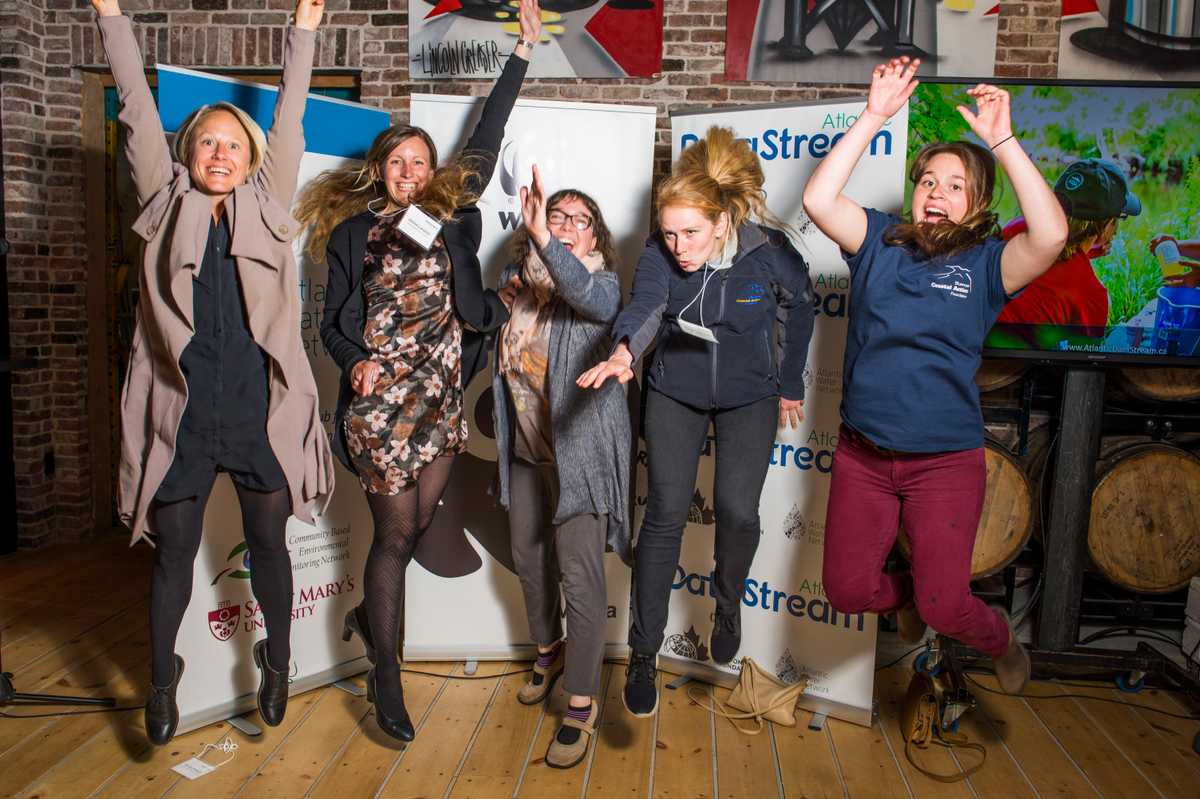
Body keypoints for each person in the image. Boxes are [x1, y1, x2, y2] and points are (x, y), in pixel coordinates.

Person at [93, 0, 334, 745]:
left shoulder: (267, 204)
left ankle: (279, 663)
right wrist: (109, 14)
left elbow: (291, 114)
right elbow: (136, 106)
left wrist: (304, 31)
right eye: (208, 142)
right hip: (185, 419)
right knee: (172, 556)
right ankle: (160, 686)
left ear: (252, 158)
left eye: (234, 144)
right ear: (189, 152)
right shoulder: (164, 202)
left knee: (269, 547)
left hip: (260, 415)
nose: (221, 153)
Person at [301, 0, 542, 743]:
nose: (409, 172)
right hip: (378, 405)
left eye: (420, 161)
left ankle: (369, 620)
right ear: (381, 170)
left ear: (433, 171)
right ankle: (388, 684)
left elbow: (488, 130)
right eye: (397, 162)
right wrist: (356, 362)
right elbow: (332, 321)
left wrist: (523, 52)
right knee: (394, 535)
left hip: (438, 400)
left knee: (415, 528)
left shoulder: (448, 215)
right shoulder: (350, 234)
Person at [802, 57, 1068, 694]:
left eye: (955, 185)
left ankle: (997, 636)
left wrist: (1001, 141)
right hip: (864, 456)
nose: (937, 193)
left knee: (951, 607)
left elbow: (1053, 233)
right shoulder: (878, 243)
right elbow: (817, 199)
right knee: (849, 589)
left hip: (943, 463)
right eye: (927, 181)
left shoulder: (989, 265)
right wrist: (875, 115)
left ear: (977, 204)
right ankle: (913, 599)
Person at [578, 127, 816, 718]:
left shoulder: (769, 253)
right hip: (674, 392)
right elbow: (647, 306)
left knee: (738, 512)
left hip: (747, 397)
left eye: (692, 233)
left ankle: (727, 602)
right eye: (669, 232)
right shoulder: (661, 256)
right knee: (662, 516)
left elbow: (803, 303)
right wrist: (624, 352)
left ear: (723, 222)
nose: (679, 246)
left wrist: (789, 381)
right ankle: (643, 652)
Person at [492, 167, 631, 768]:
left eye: (582, 221)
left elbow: (583, 294)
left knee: (579, 575)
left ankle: (580, 700)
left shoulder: (603, 286)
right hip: (526, 446)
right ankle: (546, 650)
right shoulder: (516, 288)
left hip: (581, 451)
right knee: (527, 554)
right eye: (558, 217)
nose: (570, 227)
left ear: (596, 237)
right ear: (536, 223)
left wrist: (547, 244)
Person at [993, 158, 1141, 345]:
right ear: (1105, 227)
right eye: (1119, 218)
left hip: (969, 348)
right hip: (1013, 368)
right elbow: (1084, 356)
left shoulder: (1018, 227)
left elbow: (1046, 269)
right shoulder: (1091, 293)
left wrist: (1084, 256)